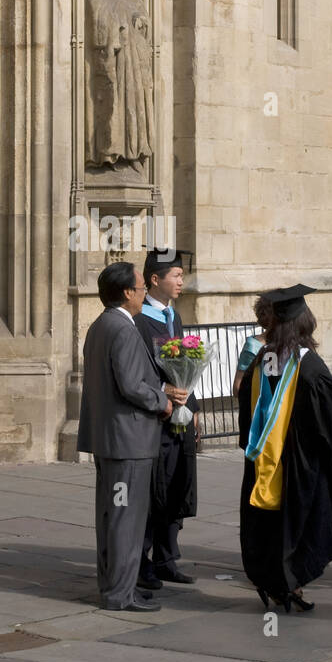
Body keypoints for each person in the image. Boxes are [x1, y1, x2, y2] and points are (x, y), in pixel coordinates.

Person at [237, 284, 332, 612]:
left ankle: (274, 584)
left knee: (269, 525)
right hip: (300, 467)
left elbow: (247, 411)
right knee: (298, 528)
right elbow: (330, 426)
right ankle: (291, 583)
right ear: (305, 323)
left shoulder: (264, 359)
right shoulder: (310, 366)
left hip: (263, 461)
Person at [78, 261, 186, 612]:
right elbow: (129, 385)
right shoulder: (122, 329)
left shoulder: (101, 325)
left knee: (112, 517)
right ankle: (119, 594)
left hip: (111, 439)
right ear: (127, 292)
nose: (143, 293)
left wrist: (159, 386)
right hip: (128, 441)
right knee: (126, 519)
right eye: (140, 288)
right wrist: (164, 402)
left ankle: (116, 587)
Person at [134, 248, 199, 588]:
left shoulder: (174, 317)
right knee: (153, 490)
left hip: (180, 418)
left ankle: (166, 557)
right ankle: (142, 561)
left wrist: (194, 409)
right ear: (155, 280)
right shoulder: (140, 321)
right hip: (155, 419)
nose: (181, 282)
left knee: (176, 485)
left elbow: (187, 367)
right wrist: (164, 389)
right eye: (176, 275)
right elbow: (136, 372)